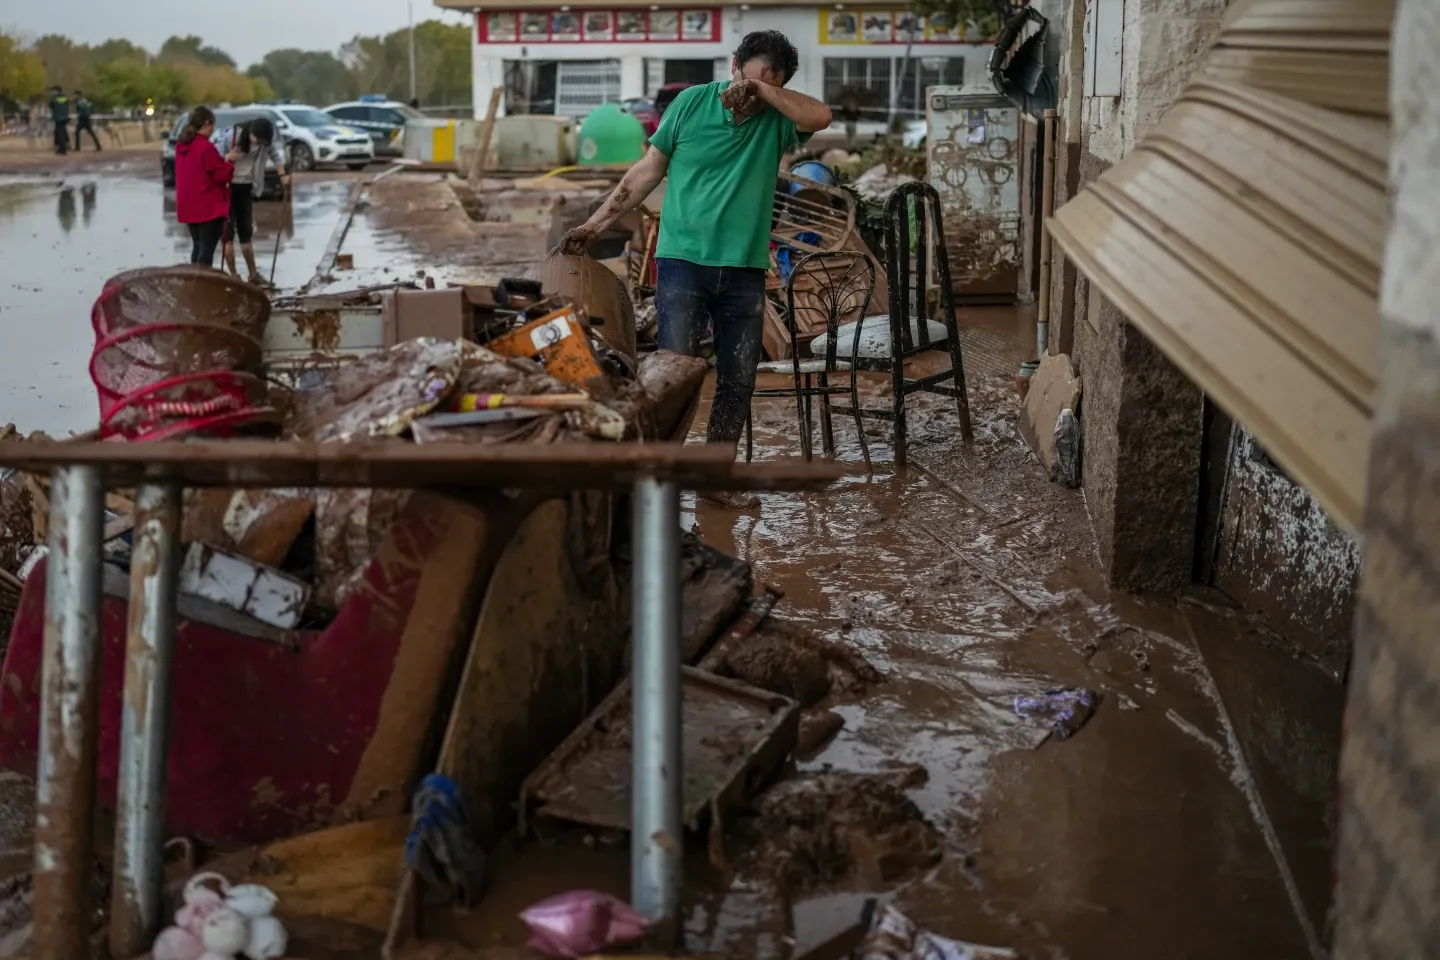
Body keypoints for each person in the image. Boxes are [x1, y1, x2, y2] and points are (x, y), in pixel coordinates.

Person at [559, 31, 831, 508]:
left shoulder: (778, 119)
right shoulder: (689, 104)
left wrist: (763, 91)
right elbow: (646, 172)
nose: (760, 89)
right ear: (733, 65)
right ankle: (660, 478)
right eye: (755, 74)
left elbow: (821, 116)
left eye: (775, 81)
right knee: (674, 372)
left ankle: (715, 478)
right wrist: (595, 224)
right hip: (682, 262)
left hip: (743, 268)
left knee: (739, 378)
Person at [211, 117, 290, 284]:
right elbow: (213, 161)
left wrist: (283, 175)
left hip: (245, 187)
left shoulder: (264, 143)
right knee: (227, 235)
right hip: (227, 188)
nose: (260, 144)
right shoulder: (231, 137)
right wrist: (227, 158)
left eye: (263, 142)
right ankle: (233, 276)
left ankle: (253, 275)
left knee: (246, 233)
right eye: (258, 140)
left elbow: (276, 157)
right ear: (251, 133)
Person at [174, 106, 239, 268]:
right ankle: (201, 285)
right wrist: (229, 161)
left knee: (197, 247)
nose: (213, 130)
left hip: (188, 205)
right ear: (206, 124)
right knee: (206, 251)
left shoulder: (181, 146)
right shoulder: (205, 147)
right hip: (207, 207)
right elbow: (220, 175)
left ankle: (193, 281)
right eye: (213, 126)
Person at [48, 86, 70, 156]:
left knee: (60, 134)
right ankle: (60, 148)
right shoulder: (65, 97)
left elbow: (50, 105)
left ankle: (63, 149)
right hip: (64, 117)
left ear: (56, 91)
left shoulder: (55, 98)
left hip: (58, 117)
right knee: (60, 132)